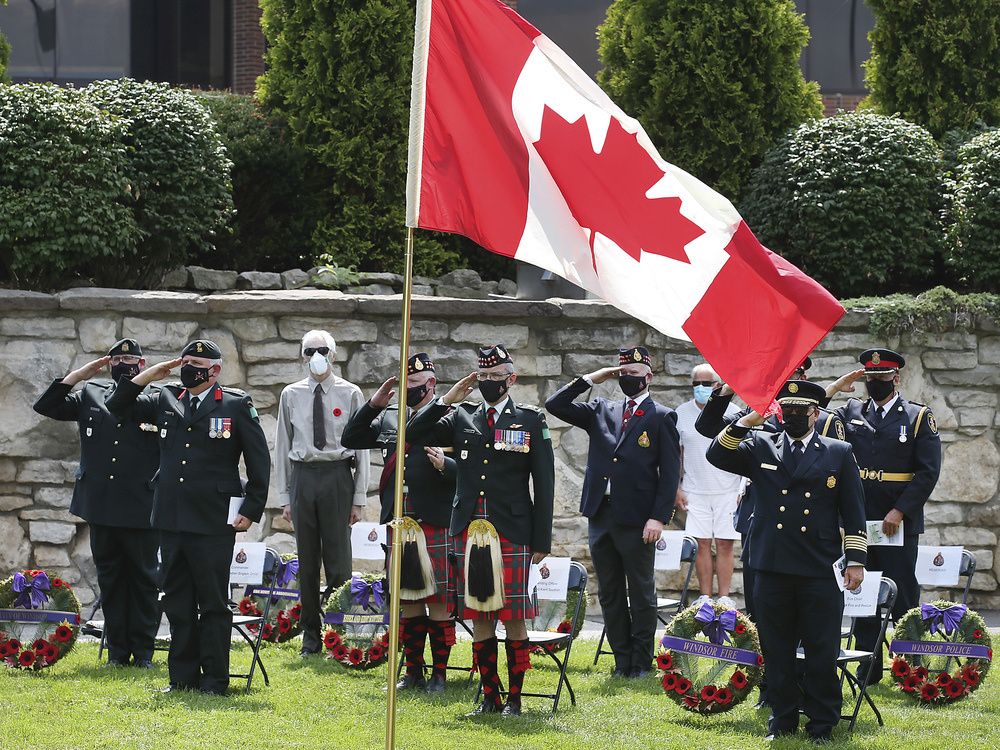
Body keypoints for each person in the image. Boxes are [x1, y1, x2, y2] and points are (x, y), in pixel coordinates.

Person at [106, 339, 270, 695]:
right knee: (177, 601)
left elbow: (259, 461)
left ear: (215, 371)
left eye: (196, 362)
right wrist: (151, 375)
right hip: (171, 517)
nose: (188, 367)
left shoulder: (235, 404)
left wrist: (251, 509)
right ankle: (181, 678)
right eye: (185, 361)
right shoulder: (166, 398)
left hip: (213, 520)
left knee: (212, 603)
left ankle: (214, 680)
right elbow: (116, 405)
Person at [707, 379, 867, 743]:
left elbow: (854, 512)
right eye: (786, 410)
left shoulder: (838, 451)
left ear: (815, 413)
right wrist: (747, 419)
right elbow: (716, 454)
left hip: (817, 566)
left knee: (821, 649)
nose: (793, 416)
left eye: (800, 411)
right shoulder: (761, 444)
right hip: (772, 565)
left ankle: (822, 723)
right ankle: (781, 721)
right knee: (777, 650)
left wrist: (855, 560)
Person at [407, 345, 554, 716]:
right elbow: (414, 431)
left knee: (514, 616)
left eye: (495, 376)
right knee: (480, 614)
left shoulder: (530, 420)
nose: (488, 383)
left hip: (513, 529)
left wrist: (541, 540)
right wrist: (448, 398)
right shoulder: (461, 416)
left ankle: (515, 701)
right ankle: (490, 697)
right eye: (482, 377)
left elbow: (546, 483)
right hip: (469, 531)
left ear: (511, 379)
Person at [545, 346, 680, 678]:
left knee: (641, 591)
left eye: (634, 374)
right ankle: (622, 661)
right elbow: (555, 405)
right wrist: (593, 378)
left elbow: (671, 472)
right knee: (609, 591)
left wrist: (659, 517)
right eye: (623, 374)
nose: (627, 380)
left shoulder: (661, 416)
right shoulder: (602, 409)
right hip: (601, 513)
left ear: (648, 377)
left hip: (637, 518)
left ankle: (641, 662)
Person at [33, 338, 161, 668]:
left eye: (131, 359)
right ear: (108, 363)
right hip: (101, 506)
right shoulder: (92, 393)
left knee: (145, 581)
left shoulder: (156, 398)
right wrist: (78, 375)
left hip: (141, 507)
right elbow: (46, 407)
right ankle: (118, 653)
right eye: (117, 359)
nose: (123, 364)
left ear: (143, 365)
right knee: (111, 580)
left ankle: (143, 652)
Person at [824, 348, 941, 685]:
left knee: (903, 591)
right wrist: (835, 387)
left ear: (896, 378)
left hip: (896, 522)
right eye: (870, 377)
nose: (876, 382)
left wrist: (900, 510)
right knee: (863, 590)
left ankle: (910, 665)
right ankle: (868, 665)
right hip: (861, 518)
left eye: (882, 377)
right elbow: (810, 413)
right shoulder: (851, 411)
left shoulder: (918, 417)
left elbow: (928, 472)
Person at [342, 352, 457, 692]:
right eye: (407, 387)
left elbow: (470, 472)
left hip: (434, 520)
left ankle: (439, 674)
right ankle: (413, 672)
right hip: (399, 521)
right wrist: (374, 405)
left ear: (432, 384)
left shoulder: (453, 416)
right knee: (406, 600)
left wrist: (445, 467)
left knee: (436, 600)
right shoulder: (393, 418)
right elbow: (352, 438)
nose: (412, 392)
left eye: (417, 386)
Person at [274, 330, 370, 657]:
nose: (317, 356)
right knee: (308, 560)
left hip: (337, 474)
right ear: (302, 356)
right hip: (304, 475)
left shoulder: (351, 393)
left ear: (333, 353)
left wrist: (358, 498)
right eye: (310, 351)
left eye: (323, 350)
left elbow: (362, 450)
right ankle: (311, 637)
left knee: (339, 560)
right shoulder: (291, 394)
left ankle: (338, 635)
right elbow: (283, 446)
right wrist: (285, 497)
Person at [673, 363, 742, 609]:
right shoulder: (681, 413)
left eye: (705, 383)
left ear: (717, 385)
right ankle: (704, 597)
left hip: (729, 488)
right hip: (694, 489)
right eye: (696, 384)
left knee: (725, 543)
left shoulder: (735, 411)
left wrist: (742, 489)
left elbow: (746, 451)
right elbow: (677, 454)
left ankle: (723, 597)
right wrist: (677, 487)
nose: (700, 388)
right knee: (700, 544)